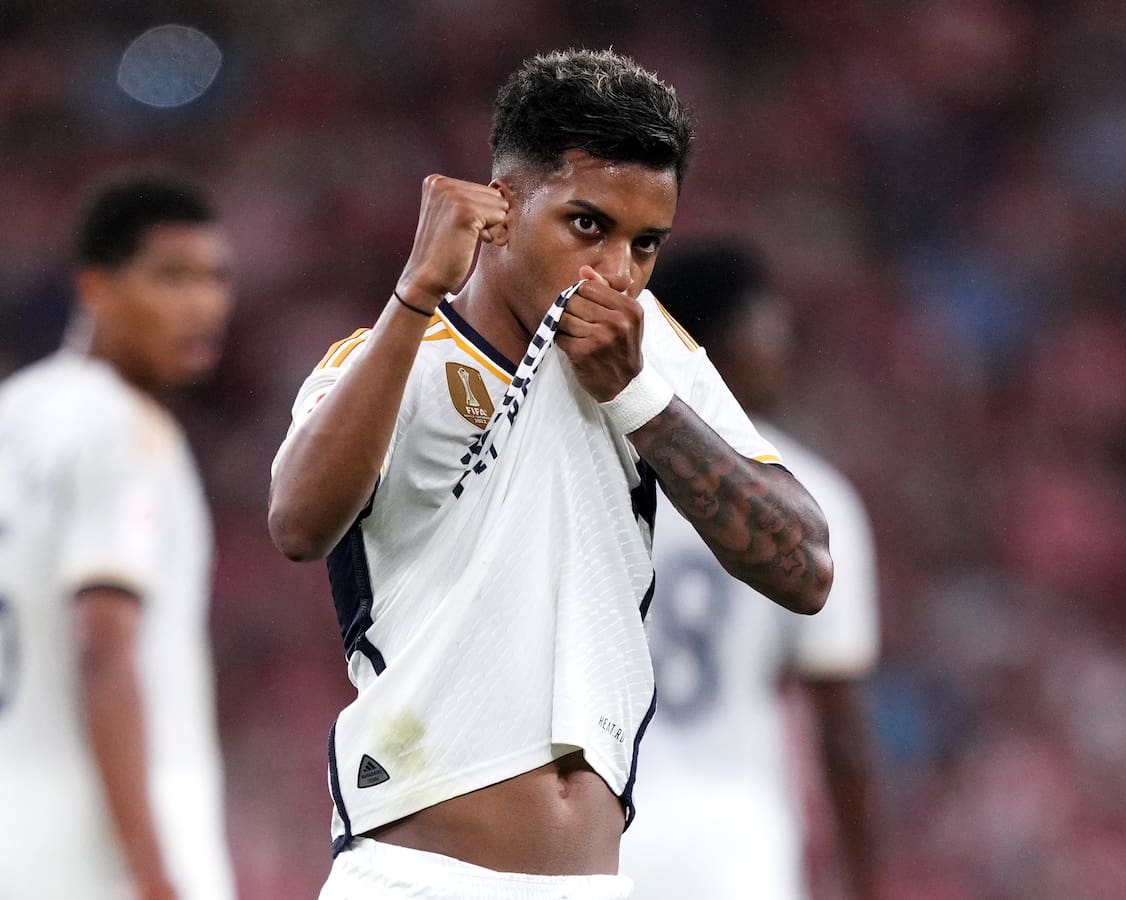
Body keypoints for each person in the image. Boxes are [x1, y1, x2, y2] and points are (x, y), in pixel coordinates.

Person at [268, 48, 833, 900]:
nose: (618, 273)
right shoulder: (395, 354)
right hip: (419, 878)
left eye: (646, 244)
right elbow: (298, 524)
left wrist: (638, 398)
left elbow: (807, 568)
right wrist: (415, 292)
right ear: (501, 209)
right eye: (587, 226)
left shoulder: (651, 352)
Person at [618, 242, 883, 899]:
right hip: (734, 835)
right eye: (766, 326)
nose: (782, 346)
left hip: (603, 819)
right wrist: (865, 884)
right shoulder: (811, 495)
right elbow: (840, 732)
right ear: (711, 345)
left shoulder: (599, 469)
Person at [0, 173, 238, 900]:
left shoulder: (14, 416)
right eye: (171, 277)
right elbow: (103, 646)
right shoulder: (127, 431)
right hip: (101, 856)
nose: (202, 304)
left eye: (216, 278)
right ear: (95, 288)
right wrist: (150, 871)